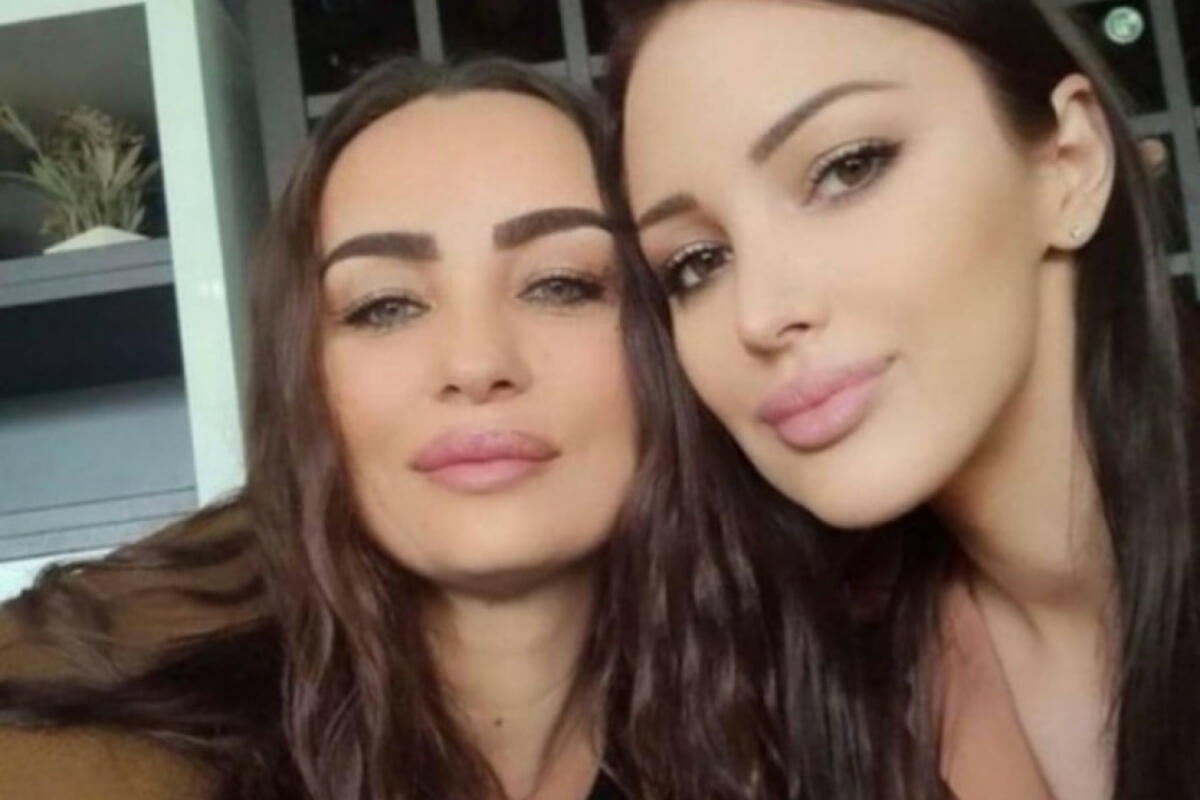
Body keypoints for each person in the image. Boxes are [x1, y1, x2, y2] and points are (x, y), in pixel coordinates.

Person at [0, 56, 862, 800]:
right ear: (305, 384)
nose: (477, 363)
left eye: (561, 284)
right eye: (386, 305)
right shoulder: (88, 752)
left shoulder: (833, 700)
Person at [608, 1, 1200, 798]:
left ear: (1070, 161)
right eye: (696, 262)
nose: (759, 314)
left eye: (847, 169)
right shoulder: (786, 681)